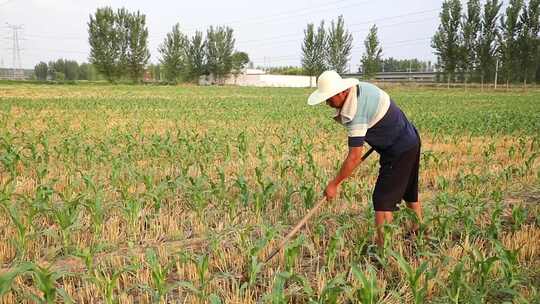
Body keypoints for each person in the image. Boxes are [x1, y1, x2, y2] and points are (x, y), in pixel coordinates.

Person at [307, 70, 422, 248]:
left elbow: (354, 156)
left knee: (382, 199)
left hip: (398, 149)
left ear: (342, 92)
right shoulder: (361, 90)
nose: (327, 103)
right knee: (409, 192)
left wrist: (334, 184)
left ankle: (384, 250)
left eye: (329, 98)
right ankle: (418, 232)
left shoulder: (355, 112)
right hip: (410, 138)